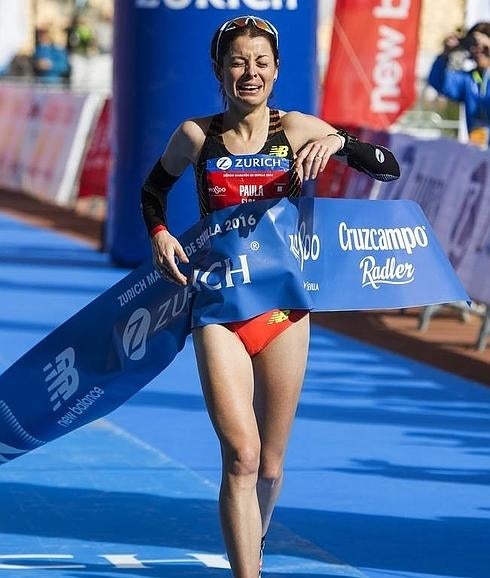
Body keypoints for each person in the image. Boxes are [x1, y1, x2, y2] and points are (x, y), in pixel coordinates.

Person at [141, 15, 399, 578]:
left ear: (277, 70)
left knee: (272, 466)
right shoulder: (195, 136)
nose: (249, 72)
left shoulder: (299, 129)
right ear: (218, 70)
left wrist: (339, 142)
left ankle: (252, 544)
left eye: (261, 62)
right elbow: (153, 190)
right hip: (218, 312)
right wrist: (160, 233)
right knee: (242, 456)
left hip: (284, 311)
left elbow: (387, 168)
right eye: (237, 62)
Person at [428, 22, 490, 147]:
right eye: (473, 45)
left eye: (482, 46)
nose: (477, 50)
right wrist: (446, 53)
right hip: (479, 154)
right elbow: (438, 82)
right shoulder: (469, 80)